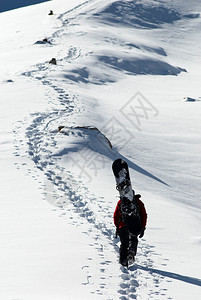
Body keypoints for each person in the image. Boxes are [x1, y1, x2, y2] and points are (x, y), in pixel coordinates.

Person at [114, 192, 147, 266]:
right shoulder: (138, 202)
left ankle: (123, 262)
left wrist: (118, 226)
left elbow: (116, 215)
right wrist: (142, 227)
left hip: (122, 225)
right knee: (134, 239)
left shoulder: (121, 202)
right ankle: (132, 251)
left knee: (124, 244)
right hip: (135, 224)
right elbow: (143, 215)